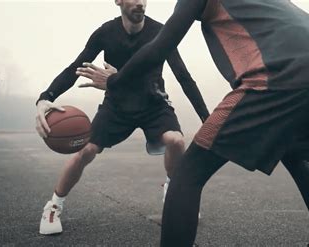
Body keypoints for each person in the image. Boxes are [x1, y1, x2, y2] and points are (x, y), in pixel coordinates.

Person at [86, 0, 309, 246]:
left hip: (282, 74)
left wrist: (114, 81)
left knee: (187, 173)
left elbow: (159, 48)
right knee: (295, 157)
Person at [35, 0, 209, 235]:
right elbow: (75, 68)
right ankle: (54, 205)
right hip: (116, 108)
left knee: (176, 141)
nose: (140, 2)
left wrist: (206, 119)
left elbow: (183, 77)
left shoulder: (160, 32)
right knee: (85, 151)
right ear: (118, 1)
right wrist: (46, 97)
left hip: (154, 104)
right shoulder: (106, 33)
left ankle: (174, 191)